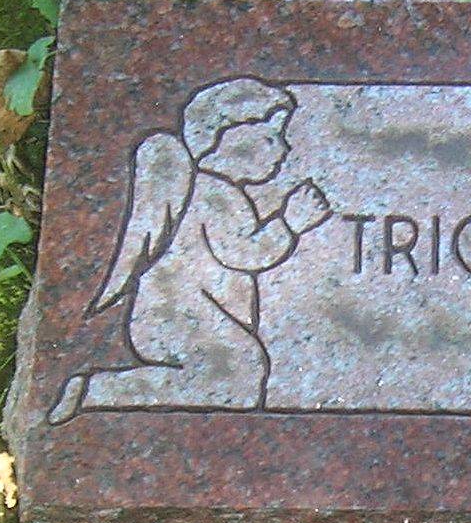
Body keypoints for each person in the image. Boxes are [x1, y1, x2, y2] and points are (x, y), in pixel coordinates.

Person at [48, 77, 330, 424]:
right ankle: (98, 392)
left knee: (234, 376)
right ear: (226, 138)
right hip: (176, 315)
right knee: (242, 371)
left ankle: (98, 392)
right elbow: (243, 253)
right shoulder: (214, 194)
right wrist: (290, 222)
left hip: (177, 314)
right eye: (271, 138)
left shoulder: (213, 190)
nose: (284, 149)